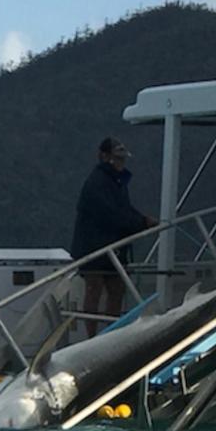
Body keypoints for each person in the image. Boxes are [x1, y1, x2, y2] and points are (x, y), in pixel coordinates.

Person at [70, 136, 156, 337]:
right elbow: (110, 214)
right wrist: (140, 223)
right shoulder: (98, 182)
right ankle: (92, 336)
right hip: (93, 246)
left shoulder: (117, 182)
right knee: (95, 287)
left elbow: (124, 209)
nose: (120, 163)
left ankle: (112, 332)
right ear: (104, 156)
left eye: (122, 159)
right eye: (116, 158)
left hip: (113, 246)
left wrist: (142, 219)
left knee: (117, 288)